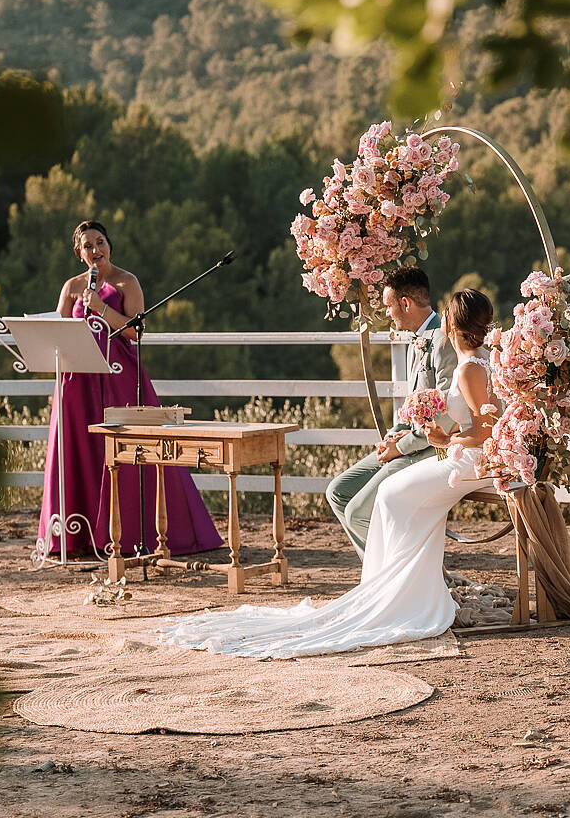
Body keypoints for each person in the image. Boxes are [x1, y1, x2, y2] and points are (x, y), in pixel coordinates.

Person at [160, 289, 499, 658]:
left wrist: (444, 437)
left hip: (469, 460)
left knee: (393, 496)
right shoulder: (479, 360)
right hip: (461, 455)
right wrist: (444, 437)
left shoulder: (468, 369)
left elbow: (485, 430)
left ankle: (407, 595)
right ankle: (388, 589)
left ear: (451, 324)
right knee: (388, 495)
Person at [36, 220, 223, 558]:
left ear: (110, 244)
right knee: (79, 450)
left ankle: (136, 534)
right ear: (78, 253)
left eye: (101, 242)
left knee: (127, 450)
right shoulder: (71, 287)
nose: (96, 250)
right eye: (88, 245)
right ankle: (78, 536)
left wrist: (100, 309)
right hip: (76, 381)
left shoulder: (127, 281)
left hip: (119, 376)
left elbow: (136, 332)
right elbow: (58, 331)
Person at [324, 266, 458, 557]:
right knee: (337, 492)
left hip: (432, 450)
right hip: (405, 443)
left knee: (358, 513)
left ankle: (396, 580)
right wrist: (392, 437)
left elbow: (445, 418)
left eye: (388, 306)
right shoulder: (415, 341)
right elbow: (411, 408)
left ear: (406, 303)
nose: (387, 314)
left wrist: (401, 447)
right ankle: (381, 576)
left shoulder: (443, 342)